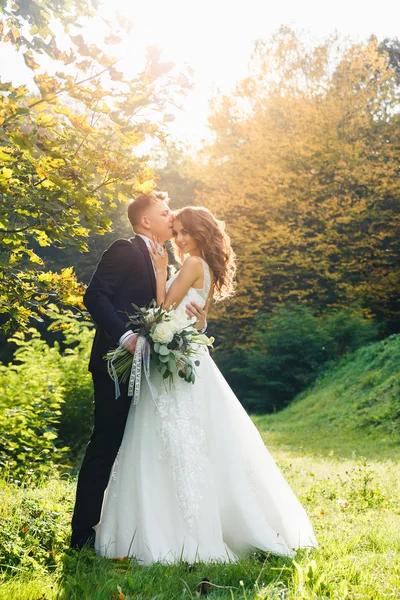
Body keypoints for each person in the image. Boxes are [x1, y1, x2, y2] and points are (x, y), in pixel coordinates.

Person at [94, 206, 318, 563]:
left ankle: (175, 529)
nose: (179, 239)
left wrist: (157, 271)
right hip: (188, 356)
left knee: (169, 440)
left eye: (185, 232)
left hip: (176, 362)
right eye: (177, 231)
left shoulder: (192, 264)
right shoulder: (206, 267)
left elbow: (162, 307)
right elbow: (197, 321)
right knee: (191, 441)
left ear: (201, 233)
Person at [70, 192, 207, 550]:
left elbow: (164, 308)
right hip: (116, 364)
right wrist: (126, 335)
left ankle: (144, 529)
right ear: (145, 221)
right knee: (106, 443)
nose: (170, 217)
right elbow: (94, 296)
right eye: (164, 213)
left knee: (140, 446)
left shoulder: (164, 260)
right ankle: (82, 534)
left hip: (153, 367)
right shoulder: (124, 249)